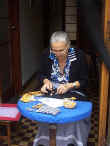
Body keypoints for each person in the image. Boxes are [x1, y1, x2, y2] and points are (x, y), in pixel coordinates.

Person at [33, 31, 91, 146]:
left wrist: (70, 85)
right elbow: (40, 74)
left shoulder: (79, 56)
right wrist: (45, 81)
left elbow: (84, 81)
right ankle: (48, 140)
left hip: (74, 90)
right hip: (52, 91)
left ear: (68, 46)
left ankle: (72, 141)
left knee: (73, 113)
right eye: (54, 50)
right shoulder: (46, 54)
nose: (57, 53)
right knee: (45, 111)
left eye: (61, 50)